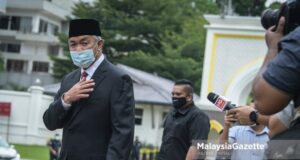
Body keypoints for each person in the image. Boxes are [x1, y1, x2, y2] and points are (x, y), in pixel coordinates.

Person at [43, 19, 135, 160]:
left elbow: (122, 134)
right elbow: (50, 122)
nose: (78, 49)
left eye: (84, 43)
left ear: (100, 44)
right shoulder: (69, 79)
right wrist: (66, 99)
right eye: (73, 44)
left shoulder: (118, 79)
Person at [157, 79, 210, 160]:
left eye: (178, 94)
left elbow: (196, 147)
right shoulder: (171, 114)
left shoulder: (199, 117)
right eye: (173, 94)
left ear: (189, 97)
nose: (174, 97)